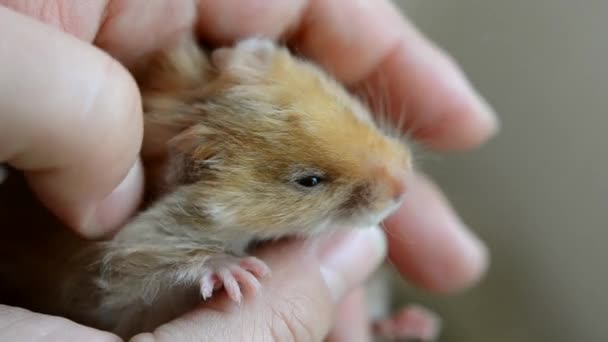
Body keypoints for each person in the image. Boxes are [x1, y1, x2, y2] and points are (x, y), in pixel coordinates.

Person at [0, 1, 498, 341]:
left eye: (352, 115)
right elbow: (124, 280)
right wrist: (201, 268)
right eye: (310, 180)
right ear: (191, 175)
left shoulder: (240, 58)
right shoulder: (156, 213)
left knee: (351, 285)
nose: (394, 181)